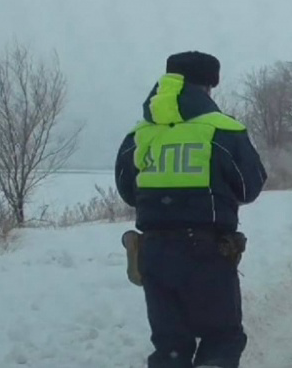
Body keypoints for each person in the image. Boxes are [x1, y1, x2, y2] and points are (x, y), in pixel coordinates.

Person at [115, 51, 267, 368]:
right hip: (207, 252)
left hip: (154, 253)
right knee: (221, 339)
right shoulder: (222, 129)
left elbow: (129, 191)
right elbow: (249, 186)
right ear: (209, 86)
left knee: (170, 346)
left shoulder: (139, 134)